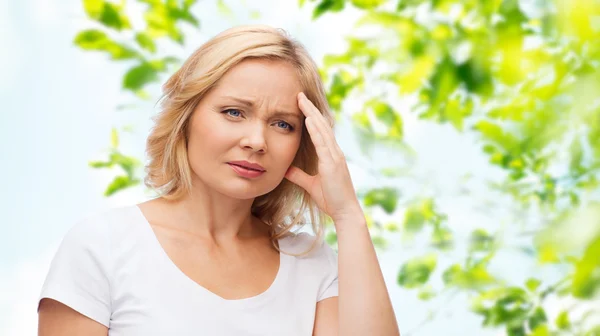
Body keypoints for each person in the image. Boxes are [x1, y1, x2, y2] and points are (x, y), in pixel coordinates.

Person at [37, 25, 400, 336]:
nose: (256, 141)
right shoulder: (104, 245)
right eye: (234, 112)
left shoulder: (311, 263)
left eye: (282, 124)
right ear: (186, 118)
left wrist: (348, 215)